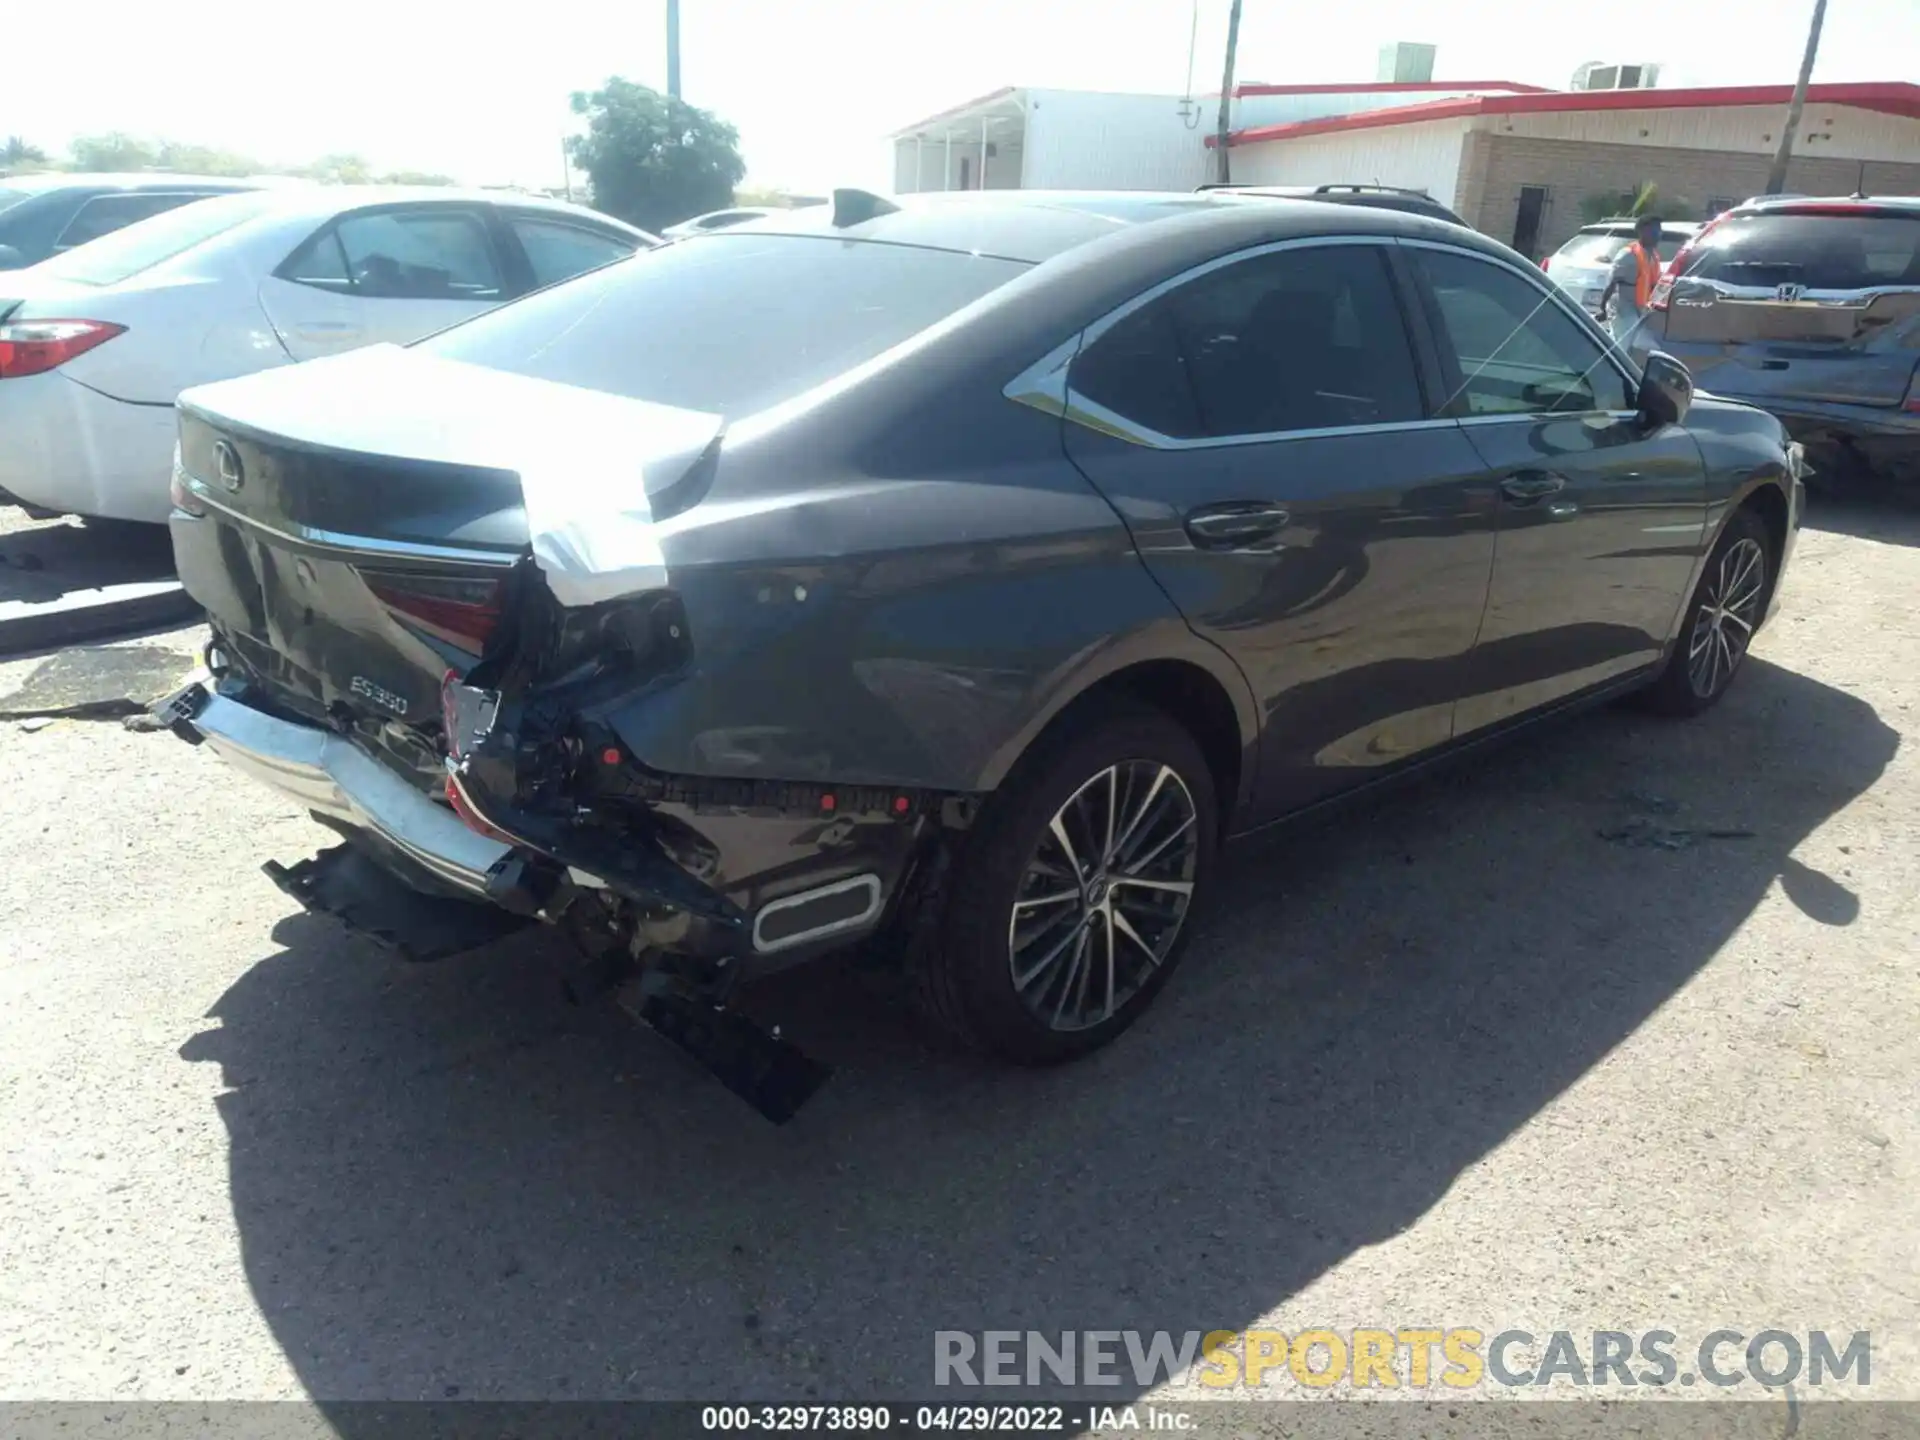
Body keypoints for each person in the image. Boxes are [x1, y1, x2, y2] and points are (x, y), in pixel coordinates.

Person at [1598, 215, 1664, 351]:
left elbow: (1654, 285)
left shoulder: (1653, 256)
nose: (1658, 235)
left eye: (1659, 231)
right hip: (1623, 309)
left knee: (1642, 346)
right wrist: (1603, 308)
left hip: (1640, 310)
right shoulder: (1628, 255)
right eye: (1654, 232)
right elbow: (1612, 282)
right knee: (1621, 348)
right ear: (1642, 231)